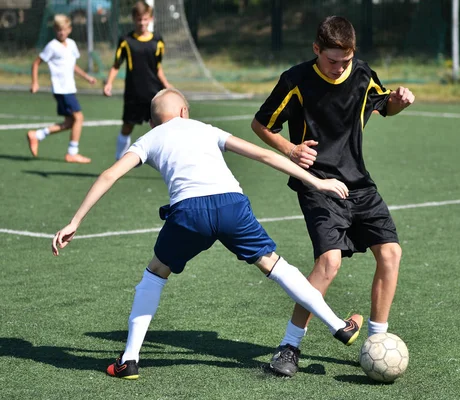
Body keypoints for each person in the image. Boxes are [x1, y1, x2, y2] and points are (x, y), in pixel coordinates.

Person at [51, 88, 363, 380]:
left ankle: (129, 360)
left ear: (151, 121)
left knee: (156, 273)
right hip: (231, 204)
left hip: (189, 213)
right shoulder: (204, 128)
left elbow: (110, 174)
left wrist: (75, 221)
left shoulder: (148, 138)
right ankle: (338, 325)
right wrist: (317, 182)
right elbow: (264, 155)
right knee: (274, 264)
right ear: (184, 111)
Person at [251, 16, 415, 377]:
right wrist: (290, 150)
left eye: (346, 59)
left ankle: (376, 340)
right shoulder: (295, 81)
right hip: (317, 184)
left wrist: (401, 101)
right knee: (329, 262)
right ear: (316, 50)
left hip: (359, 183)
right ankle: (289, 346)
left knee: (391, 253)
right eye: (332, 60)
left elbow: (383, 106)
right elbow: (261, 124)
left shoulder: (362, 73)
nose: (340, 67)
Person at [103, 0, 171, 160]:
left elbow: (158, 68)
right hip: (133, 93)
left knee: (162, 127)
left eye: (145, 19)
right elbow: (116, 65)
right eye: (139, 19)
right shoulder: (126, 41)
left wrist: (167, 85)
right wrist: (109, 83)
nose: (142, 22)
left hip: (154, 93)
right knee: (127, 126)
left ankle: (164, 161)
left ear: (151, 19)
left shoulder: (158, 41)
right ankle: (119, 160)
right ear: (134, 19)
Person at [27, 14, 97, 164]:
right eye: (58, 30)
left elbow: (72, 65)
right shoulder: (52, 46)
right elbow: (36, 63)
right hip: (61, 89)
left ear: (69, 29)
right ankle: (72, 153)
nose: (61, 33)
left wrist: (87, 77)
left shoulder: (71, 44)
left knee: (70, 122)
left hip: (70, 88)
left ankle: (37, 135)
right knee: (79, 118)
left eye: (64, 29)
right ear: (55, 30)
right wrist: (35, 82)